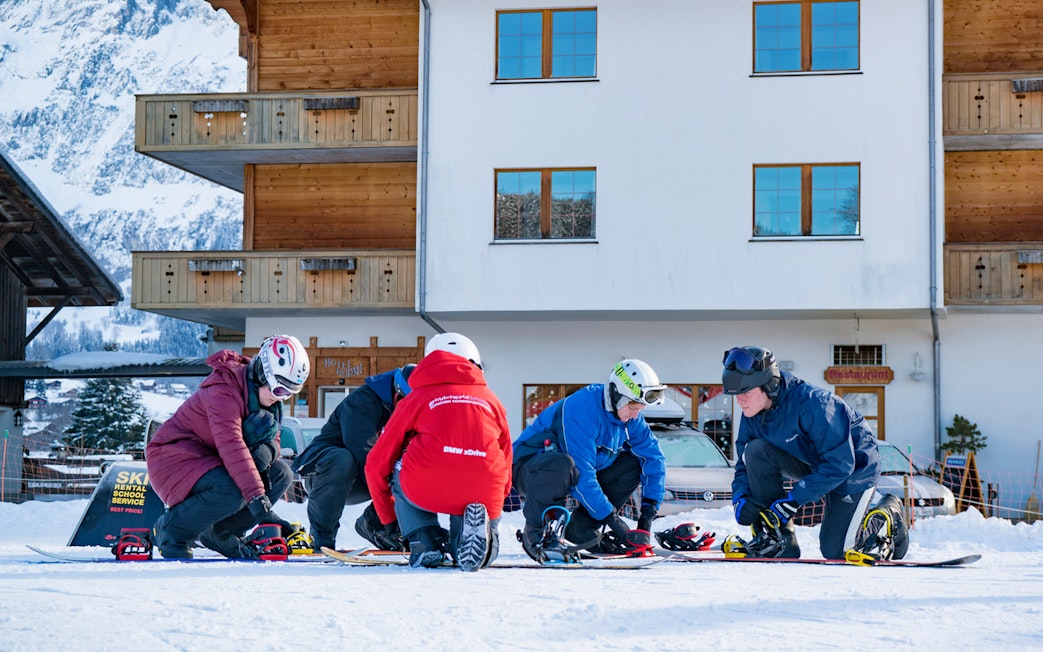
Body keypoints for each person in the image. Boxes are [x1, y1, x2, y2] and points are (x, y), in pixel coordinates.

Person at [722, 345, 908, 560]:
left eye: (745, 392)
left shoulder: (815, 403)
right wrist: (740, 498)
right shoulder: (753, 413)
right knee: (756, 451)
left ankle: (889, 514)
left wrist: (794, 500)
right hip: (812, 463)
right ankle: (779, 541)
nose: (739, 400)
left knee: (837, 552)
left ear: (770, 385)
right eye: (735, 394)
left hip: (853, 469)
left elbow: (840, 465)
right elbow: (744, 463)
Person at [147, 334, 311, 559]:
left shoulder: (264, 398)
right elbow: (232, 446)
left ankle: (221, 531)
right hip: (175, 457)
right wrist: (261, 508)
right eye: (280, 390)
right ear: (264, 375)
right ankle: (171, 529)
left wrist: (267, 452)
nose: (281, 398)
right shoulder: (223, 390)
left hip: (213, 459)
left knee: (280, 473)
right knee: (232, 488)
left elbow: (274, 437)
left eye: (290, 394)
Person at [364, 332, 512, 572]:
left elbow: (377, 461)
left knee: (399, 465)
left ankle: (424, 541)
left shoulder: (417, 398)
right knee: (473, 504)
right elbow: (506, 455)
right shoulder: (491, 400)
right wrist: (497, 498)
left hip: (425, 484)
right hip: (484, 484)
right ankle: (478, 541)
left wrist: (388, 519)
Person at [512, 359, 668, 563]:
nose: (635, 414)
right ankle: (538, 535)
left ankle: (581, 529)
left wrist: (647, 516)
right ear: (616, 395)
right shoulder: (581, 409)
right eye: (632, 407)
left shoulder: (631, 419)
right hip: (530, 467)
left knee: (633, 462)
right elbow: (582, 473)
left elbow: (654, 458)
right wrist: (614, 521)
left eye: (640, 408)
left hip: (572, 471)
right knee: (563, 465)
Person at [291, 364, 416, 552]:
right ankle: (321, 538)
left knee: (408, 468)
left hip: (359, 475)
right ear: (398, 394)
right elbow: (365, 455)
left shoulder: (403, 409)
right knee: (343, 459)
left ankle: (374, 525)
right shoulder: (362, 401)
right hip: (323, 472)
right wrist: (389, 511)